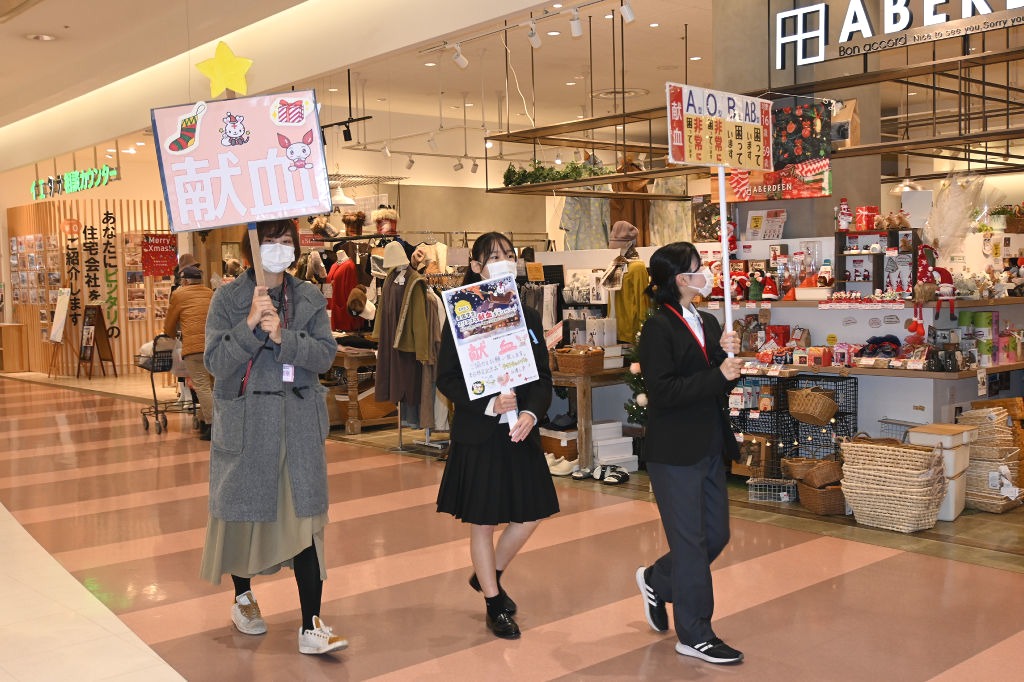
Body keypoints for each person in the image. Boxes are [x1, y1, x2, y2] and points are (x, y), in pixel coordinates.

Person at [200, 218, 347, 655]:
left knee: (306, 522)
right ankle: (243, 598)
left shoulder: (306, 296)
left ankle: (310, 625)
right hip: (247, 423)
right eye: (270, 242)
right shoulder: (227, 298)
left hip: (298, 424)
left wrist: (284, 336)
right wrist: (247, 327)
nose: (279, 249)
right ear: (253, 249)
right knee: (242, 516)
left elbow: (324, 355)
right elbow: (214, 362)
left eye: (286, 241)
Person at [435, 232, 558, 640]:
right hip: (480, 432)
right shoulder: (461, 312)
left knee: (533, 511)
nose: (504, 262)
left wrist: (529, 411)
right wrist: (488, 406)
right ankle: (493, 601)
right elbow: (447, 379)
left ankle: (490, 573)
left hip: (520, 431)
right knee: (484, 521)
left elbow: (542, 376)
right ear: (475, 265)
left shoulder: (526, 311)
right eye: (493, 257)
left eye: (509, 255)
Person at [633, 242, 745, 665]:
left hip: (710, 444)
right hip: (674, 450)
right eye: (700, 269)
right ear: (681, 279)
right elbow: (663, 393)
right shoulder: (658, 328)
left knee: (715, 535)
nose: (707, 274)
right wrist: (717, 372)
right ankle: (695, 633)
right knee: (692, 543)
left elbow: (717, 383)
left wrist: (726, 361)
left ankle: (659, 581)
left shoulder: (709, 320)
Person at [163, 264, 215, 440]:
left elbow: (169, 324)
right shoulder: (210, 293)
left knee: (201, 386)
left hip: (193, 349)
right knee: (210, 386)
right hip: (214, 347)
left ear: (184, 280)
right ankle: (202, 420)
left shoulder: (178, 295)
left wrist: (169, 334)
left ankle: (212, 425)